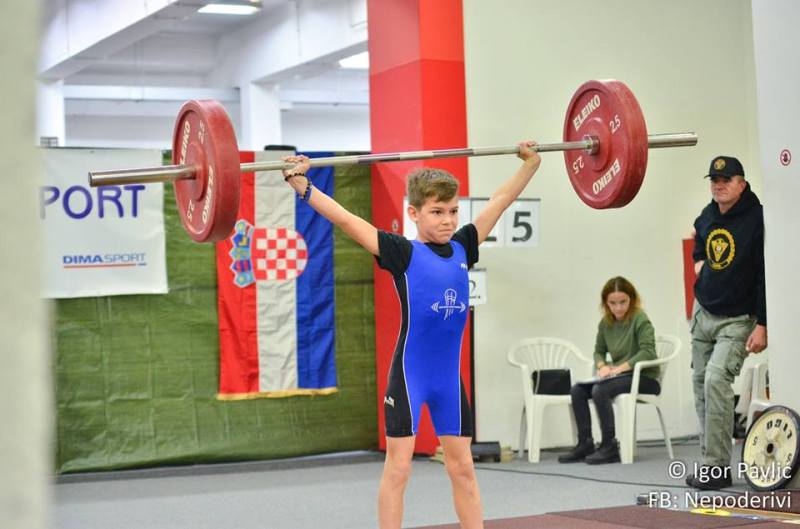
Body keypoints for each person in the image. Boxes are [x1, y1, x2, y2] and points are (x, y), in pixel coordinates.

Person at [281, 142, 541, 529]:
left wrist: (530, 165)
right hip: (409, 378)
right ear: (414, 213)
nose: (447, 220)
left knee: (463, 469)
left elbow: (500, 202)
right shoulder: (401, 252)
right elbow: (348, 221)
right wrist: (301, 184)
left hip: (448, 381)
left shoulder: (464, 246)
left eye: (452, 211)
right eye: (437, 212)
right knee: (399, 469)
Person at [685, 156, 767, 490]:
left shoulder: (757, 219)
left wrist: (763, 323)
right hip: (703, 313)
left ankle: (717, 467)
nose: (719, 185)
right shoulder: (708, 214)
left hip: (737, 319)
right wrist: (699, 263)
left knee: (716, 381)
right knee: (701, 386)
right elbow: (698, 241)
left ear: (741, 184)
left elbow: (764, 274)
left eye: (726, 180)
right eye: (714, 180)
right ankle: (710, 461)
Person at [558, 276, 660, 465]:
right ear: (606, 303)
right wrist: (602, 366)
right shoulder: (605, 323)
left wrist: (618, 369)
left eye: (623, 302)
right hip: (619, 377)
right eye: (613, 303)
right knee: (577, 390)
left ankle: (609, 446)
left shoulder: (640, 318)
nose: (618, 308)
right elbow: (598, 351)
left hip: (645, 378)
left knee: (600, 390)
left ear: (631, 299)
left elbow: (648, 352)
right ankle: (585, 443)